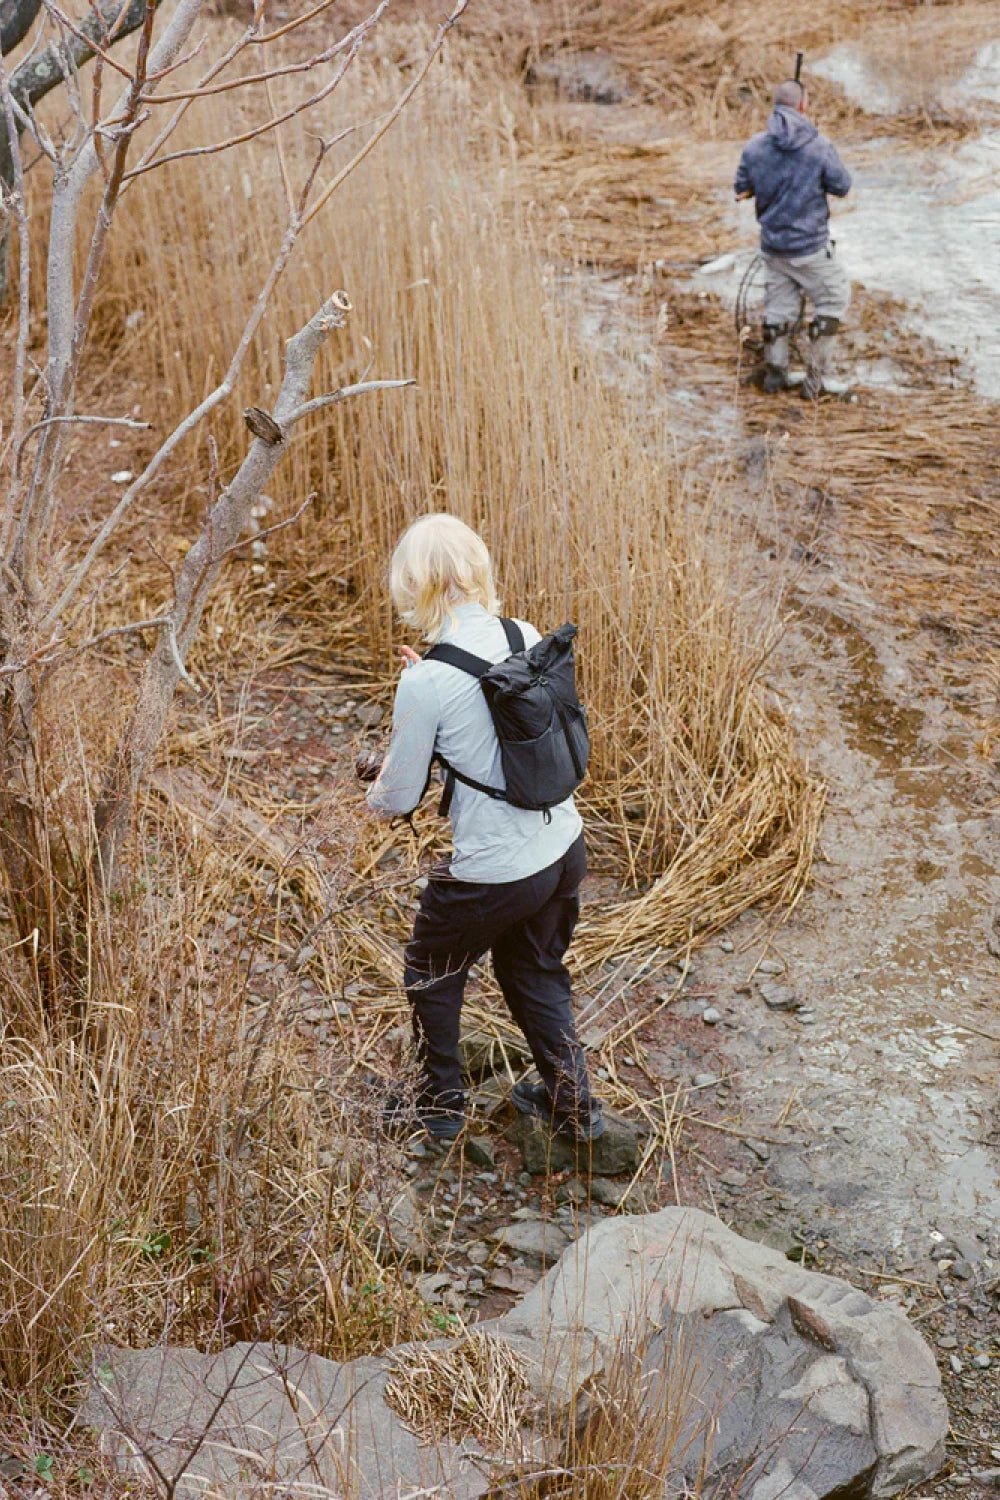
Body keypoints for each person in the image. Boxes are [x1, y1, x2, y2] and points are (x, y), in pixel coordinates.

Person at [363, 513, 603, 1146]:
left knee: (430, 971)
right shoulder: (519, 631)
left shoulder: (425, 682)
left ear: (412, 583)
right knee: (535, 971)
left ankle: (439, 1107)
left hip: (494, 870)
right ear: (476, 568)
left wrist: (399, 729)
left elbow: (395, 799)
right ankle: (575, 1106)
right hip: (562, 845)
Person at [735, 78, 852, 398]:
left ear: (775, 105)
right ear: (803, 106)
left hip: (773, 247)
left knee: (779, 308)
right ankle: (815, 380)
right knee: (834, 298)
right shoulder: (820, 146)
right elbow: (842, 186)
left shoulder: (754, 147)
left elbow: (740, 189)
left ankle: (776, 374)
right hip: (810, 247)